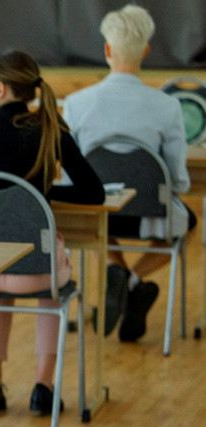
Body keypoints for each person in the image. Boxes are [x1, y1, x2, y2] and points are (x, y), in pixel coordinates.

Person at [0, 50, 105, 416]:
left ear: (1, 89)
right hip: (39, 274)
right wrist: (40, 195)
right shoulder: (51, 130)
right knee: (50, 272)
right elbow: (94, 192)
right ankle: (43, 387)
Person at [63, 4, 197, 342]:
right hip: (149, 215)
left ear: (107, 51)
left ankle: (119, 273)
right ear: (146, 52)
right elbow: (179, 182)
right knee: (188, 225)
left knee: (100, 213)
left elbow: (68, 176)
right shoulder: (167, 106)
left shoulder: (76, 103)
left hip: (96, 216)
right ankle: (133, 281)